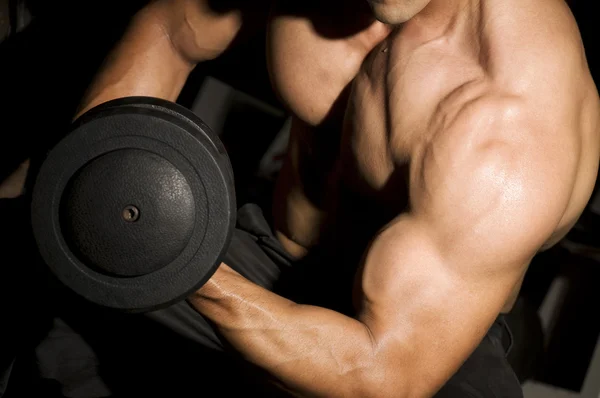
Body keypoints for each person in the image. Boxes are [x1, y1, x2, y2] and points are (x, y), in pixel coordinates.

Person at [3, 0, 598, 396]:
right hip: (263, 249)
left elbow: (379, 371)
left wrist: (165, 257)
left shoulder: (514, 134)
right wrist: (90, 172)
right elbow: (174, 29)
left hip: (419, 350)